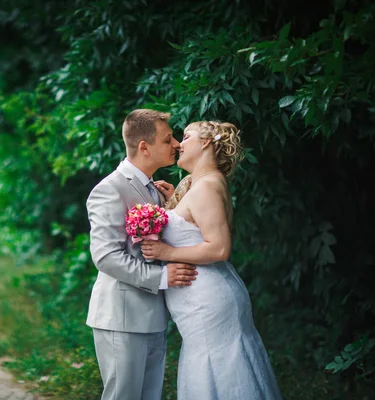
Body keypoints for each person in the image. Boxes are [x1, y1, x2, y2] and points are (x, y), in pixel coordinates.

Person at [142, 121, 282, 400]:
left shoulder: (206, 185)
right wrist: (173, 204)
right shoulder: (201, 183)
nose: (179, 144)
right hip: (200, 299)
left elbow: (219, 249)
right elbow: (194, 229)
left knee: (220, 371)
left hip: (208, 299)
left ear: (206, 142)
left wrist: (167, 254)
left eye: (186, 136)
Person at [86, 109, 198, 400]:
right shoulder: (109, 189)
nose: (176, 144)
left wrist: (172, 203)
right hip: (122, 317)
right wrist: (162, 276)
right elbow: (106, 256)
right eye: (168, 139)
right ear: (144, 147)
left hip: (154, 316)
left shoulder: (156, 191)